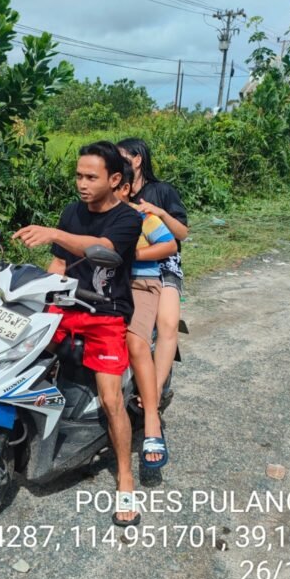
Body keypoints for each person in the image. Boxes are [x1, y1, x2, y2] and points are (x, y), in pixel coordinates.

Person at [13, 141, 142, 527]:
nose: (82, 184)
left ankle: (125, 477)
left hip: (105, 315)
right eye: (78, 176)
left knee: (111, 399)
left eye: (91, 177)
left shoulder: (128, 219)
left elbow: (103, 249)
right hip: (66, 309)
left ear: (114, 179)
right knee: (17, 359)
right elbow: (59, 262)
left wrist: (54, 231)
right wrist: (36, 293)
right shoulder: (72, 212)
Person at [116, 138, 188, 412]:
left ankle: (154, 392)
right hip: (129, 267)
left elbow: (181, 234)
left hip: (166, 265)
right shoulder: (118, 193)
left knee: (168, 323)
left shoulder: (161, 191)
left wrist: (157, 211)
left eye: (121, 155)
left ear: (137, 159)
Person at [113, 165, 177, 468]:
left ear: (124, 188)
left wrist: (131, 256)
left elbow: (170, 244)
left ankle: (152, 418)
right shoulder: (87, 217)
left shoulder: (143, 218)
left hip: (142, 281)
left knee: (135, 341)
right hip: (105, 284)